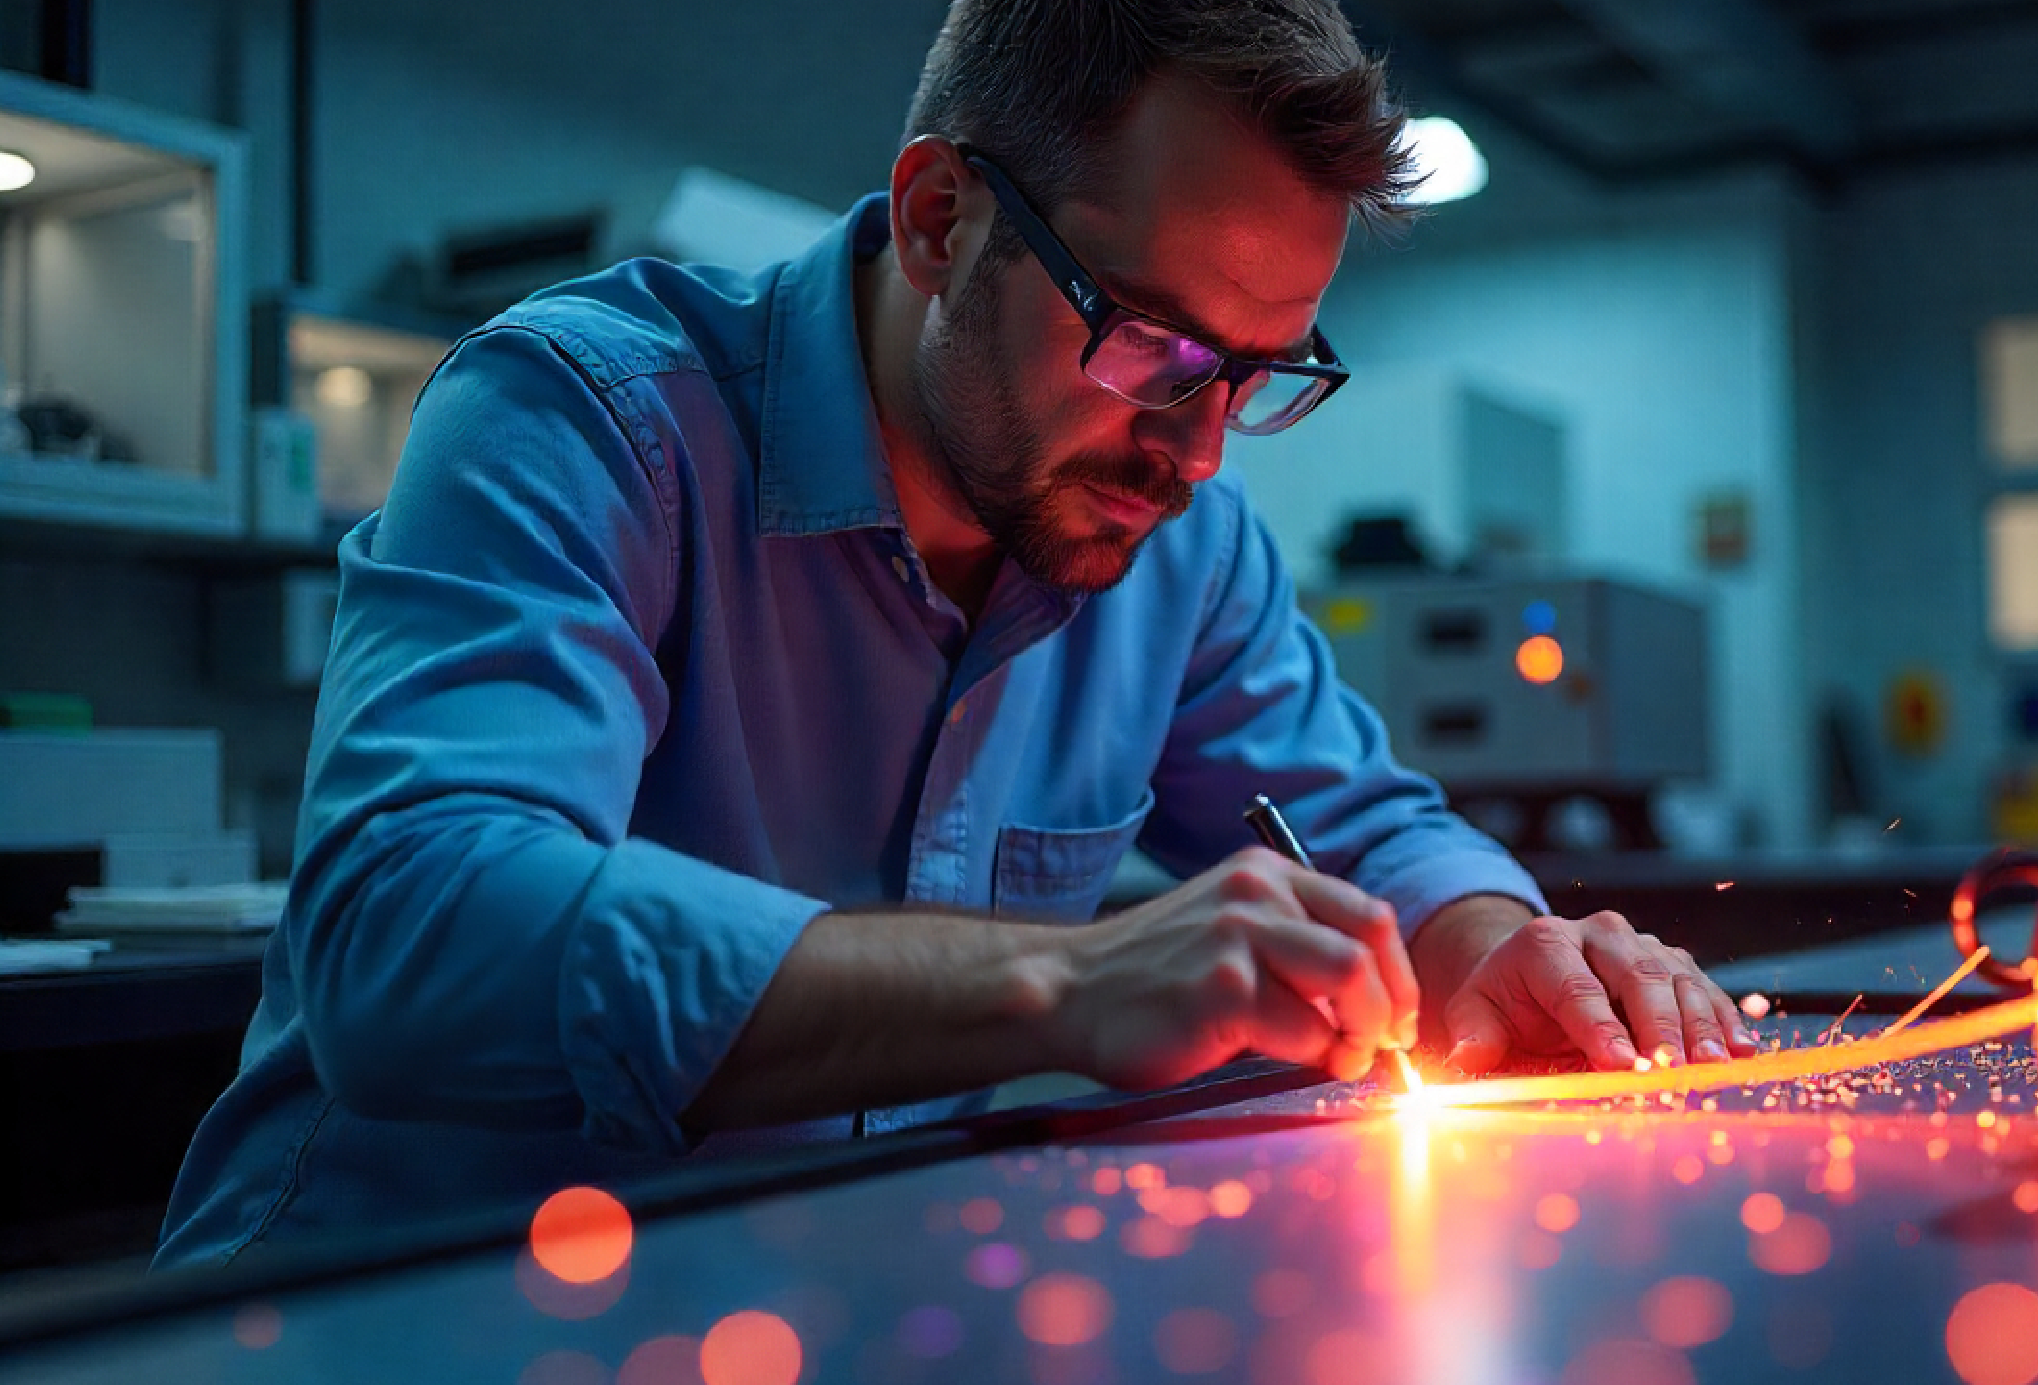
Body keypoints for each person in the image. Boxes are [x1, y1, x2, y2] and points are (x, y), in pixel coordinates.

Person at [157, 0, 1753, 1268]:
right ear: (939, 221)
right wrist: (1063, 983)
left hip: (801, 1294)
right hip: (381, 1304)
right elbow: (414, 935)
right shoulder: (589, 418)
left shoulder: (1179, 546)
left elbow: (1372, 827)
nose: (1199, 454)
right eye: (1152, 345)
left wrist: (1501, 950)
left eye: (1261, 374)